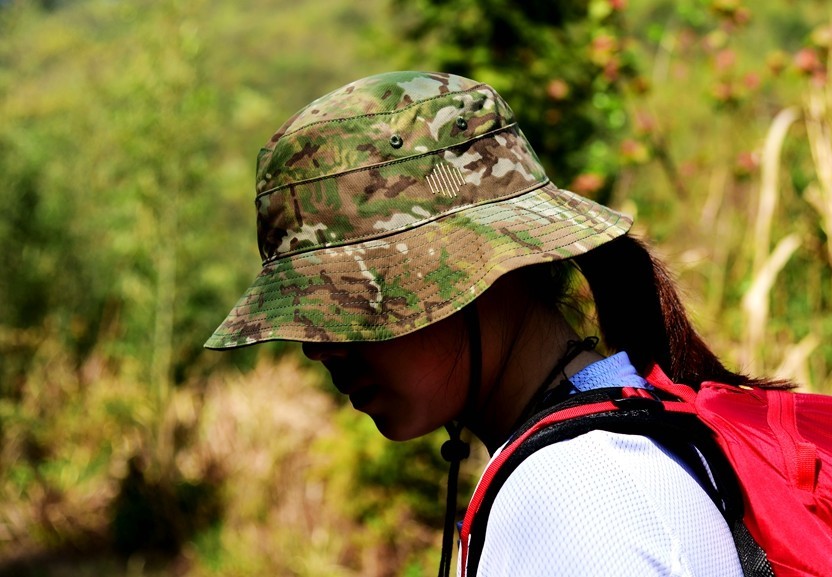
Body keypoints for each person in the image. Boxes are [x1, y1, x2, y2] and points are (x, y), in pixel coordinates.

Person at [206, 71, 780, 576]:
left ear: (479, 271)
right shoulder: (600, 455)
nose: (318, 349)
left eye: (354, 301)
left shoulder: (578, 496)